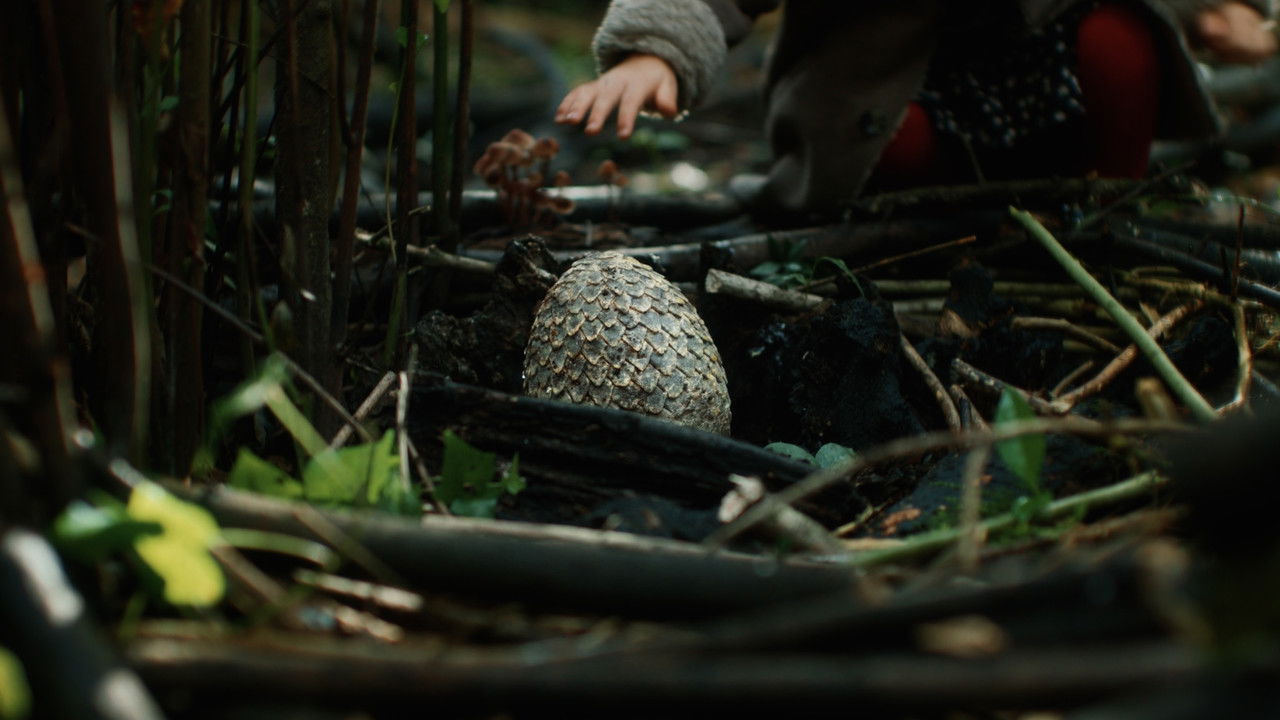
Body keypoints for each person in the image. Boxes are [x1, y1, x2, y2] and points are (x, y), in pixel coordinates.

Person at [557, 0, 1278, 222]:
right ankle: (929, 219)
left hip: (1046, 91)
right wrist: (656, 51)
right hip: (897, 92)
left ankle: (1113, 207)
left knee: (1118, 38)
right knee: (888, 147)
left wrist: (1218, 12)